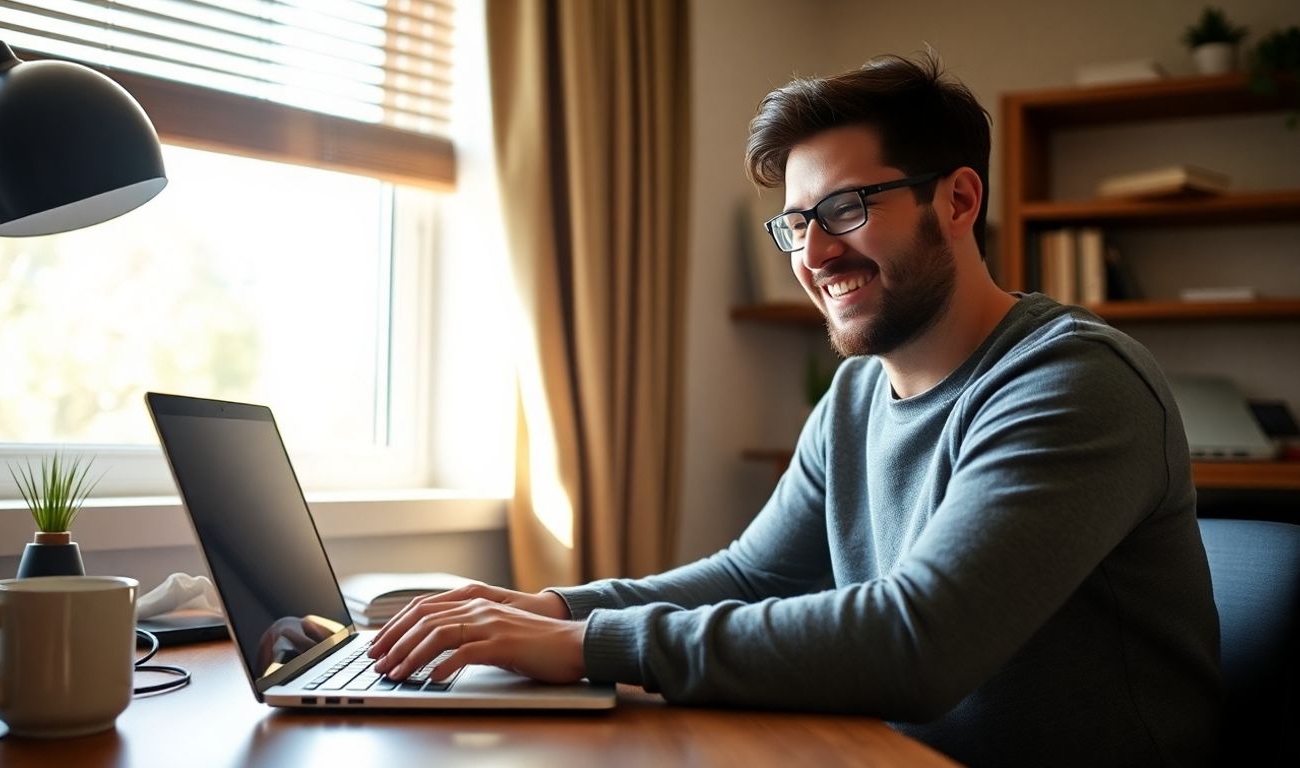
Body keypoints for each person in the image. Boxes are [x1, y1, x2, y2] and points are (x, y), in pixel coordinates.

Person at [368, 52, 1221, 766]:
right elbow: (752, 576)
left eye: (846, 208)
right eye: (795, 223)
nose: (813, 254)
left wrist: (587, 647)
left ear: (959, 201)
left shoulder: (1072, 383)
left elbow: (919, 642)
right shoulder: (854, 394)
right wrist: (550, 608)